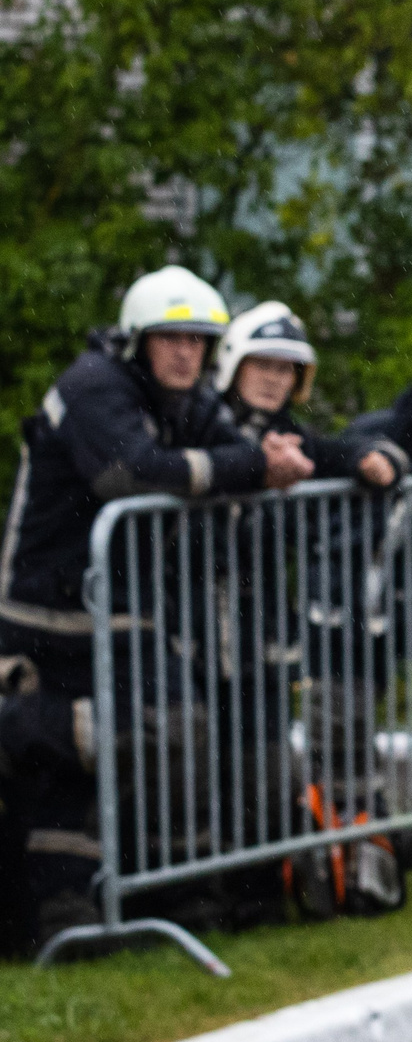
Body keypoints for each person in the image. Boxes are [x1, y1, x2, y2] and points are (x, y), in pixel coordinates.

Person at [0, 268, 311, 951]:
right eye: (171, 338)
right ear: (139, 340)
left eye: (197, 341)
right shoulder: (93, 385)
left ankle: (169, 899)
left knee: (168, 729)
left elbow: (235, 451)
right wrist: (248, 467)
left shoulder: (185, 400)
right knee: (101, 747)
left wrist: (262, 459)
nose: (185, 353)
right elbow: (129, 472)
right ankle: (18, 730)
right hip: (48, 615)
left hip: (124, 609)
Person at [214, 303, 407, 489]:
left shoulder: (293, 437)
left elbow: (336, 451)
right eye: (262, 365)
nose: (273, 379)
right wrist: (260, 462)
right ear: (234, 367)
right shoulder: (207, 423)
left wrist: (375, 458)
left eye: (284, 369)